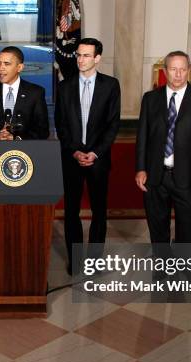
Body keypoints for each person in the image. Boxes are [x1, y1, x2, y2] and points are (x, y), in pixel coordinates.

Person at [135, 51, 191, 259]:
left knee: (187, 228)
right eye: (173, 69)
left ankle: (185, 266)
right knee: (157, 226)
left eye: (183, 69)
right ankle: (162, 266)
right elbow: (142, 136)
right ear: (164, 71)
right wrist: (141, 169)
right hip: (155, 176)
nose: (178, 74)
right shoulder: (150, 99)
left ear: (188, 70)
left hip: (188, 176)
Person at [55, 37, 121, 275]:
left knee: (99, 212)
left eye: (86, 55)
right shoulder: (64, 86)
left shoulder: (111, 86)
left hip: (98, 159)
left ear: (97, 58)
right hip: (71, 159)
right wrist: (75, 151)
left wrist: (94, 152)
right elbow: (60, 125)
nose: (81, 60)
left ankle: (94, 261)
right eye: (79, 55)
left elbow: (113, 125)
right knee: (71, 211)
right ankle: (75, 260)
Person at [0, 46, 49, 140]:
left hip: (25, 152)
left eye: (6, 64)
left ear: (19, 67)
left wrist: (16, 138)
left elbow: (42, 131)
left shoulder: (35, 93)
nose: (1, 68)